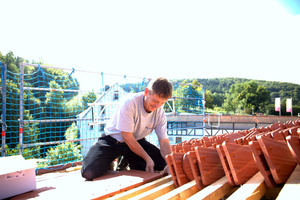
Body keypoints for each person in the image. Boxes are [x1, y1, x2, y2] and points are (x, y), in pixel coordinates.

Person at [81, 77, 173, 180]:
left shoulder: (160, 113)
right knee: (88, 172)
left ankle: (126, 159)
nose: (157, 106)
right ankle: (114, 160)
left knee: (162, 164)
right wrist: (148, 159)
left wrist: (170, 163)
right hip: (114, 141)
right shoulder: (129, 103)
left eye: (162, 103)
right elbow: (127, 137)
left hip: (137, 142)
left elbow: (164, 142)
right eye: (155, 101)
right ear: (146, 92)